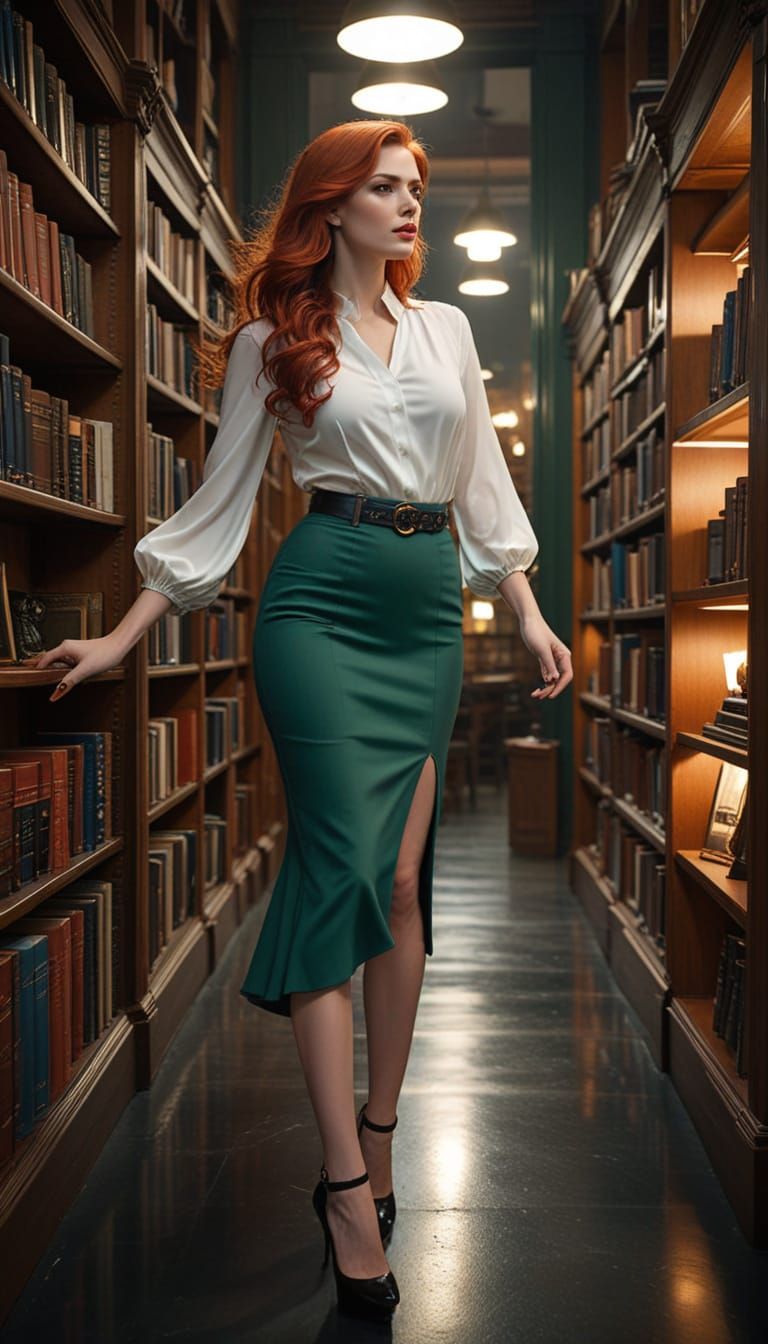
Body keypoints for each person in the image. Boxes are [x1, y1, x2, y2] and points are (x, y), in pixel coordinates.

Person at [22, 119, 573, 1322]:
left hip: (427, 612)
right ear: (334, 208)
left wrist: (523, 611)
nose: (410, 203)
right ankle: (339, 1183)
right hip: (319, 609)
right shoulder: (275, 339)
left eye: (416, 185)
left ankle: (381, 1135)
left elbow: (482, 481)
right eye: (387, 187)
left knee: (402, 891)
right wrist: (120, 635)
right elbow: (217, 506)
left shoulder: (449, 330)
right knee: (336, 875)